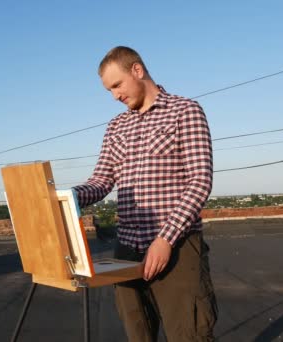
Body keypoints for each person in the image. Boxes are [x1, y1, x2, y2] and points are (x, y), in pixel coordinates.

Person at [72, 46, 218, 341]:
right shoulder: (116, 127)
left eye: (117, 85)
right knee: (138, 334)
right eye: (109, 90)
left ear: (137, 70)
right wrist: (67, 197)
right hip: (126, 250)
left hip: (175, 246)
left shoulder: (184, 111)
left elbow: (200, 180)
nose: (115, 96)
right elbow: (102, 180)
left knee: (189, 334)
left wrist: (165, 238)